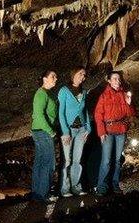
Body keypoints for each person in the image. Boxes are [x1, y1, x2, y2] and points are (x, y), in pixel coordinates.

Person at [94, 71, 135, 196]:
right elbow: (98, 114)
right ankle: (101, 186)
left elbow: (130, 114)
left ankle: (115, 184)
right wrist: (101, 132)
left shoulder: (123, 95)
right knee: (106, 160)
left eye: (119, 79)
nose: (117, 81)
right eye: (115, 79)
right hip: (108, 131)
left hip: (121, 131)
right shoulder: (104, 96)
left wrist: (129, 104)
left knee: (117, 160)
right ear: (109, 81)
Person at [58, 66, 91, 197]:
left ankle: (76, 187)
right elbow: (61, 113)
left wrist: (88, 128)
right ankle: (64, 189)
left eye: (84, 75)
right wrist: (65, 132)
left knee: (77, 160)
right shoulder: (64, 91)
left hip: (81, 129)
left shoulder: (83, 91)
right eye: (81, 74)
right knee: (67, 160)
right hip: (69, 130)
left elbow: (85, 111)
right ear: (74, 74)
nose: (83, 77)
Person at [30, 70, 58, 203]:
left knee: (40, 163)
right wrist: (51, 131)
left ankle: (37, 193)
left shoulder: (46, 93)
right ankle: (43, 194)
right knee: (48, 163)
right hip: (43, 132)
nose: (56, 78)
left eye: (56, 77)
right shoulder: (41, 94)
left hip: (39, 131)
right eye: (53, 76)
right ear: (44, 79)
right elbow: (39, 115)